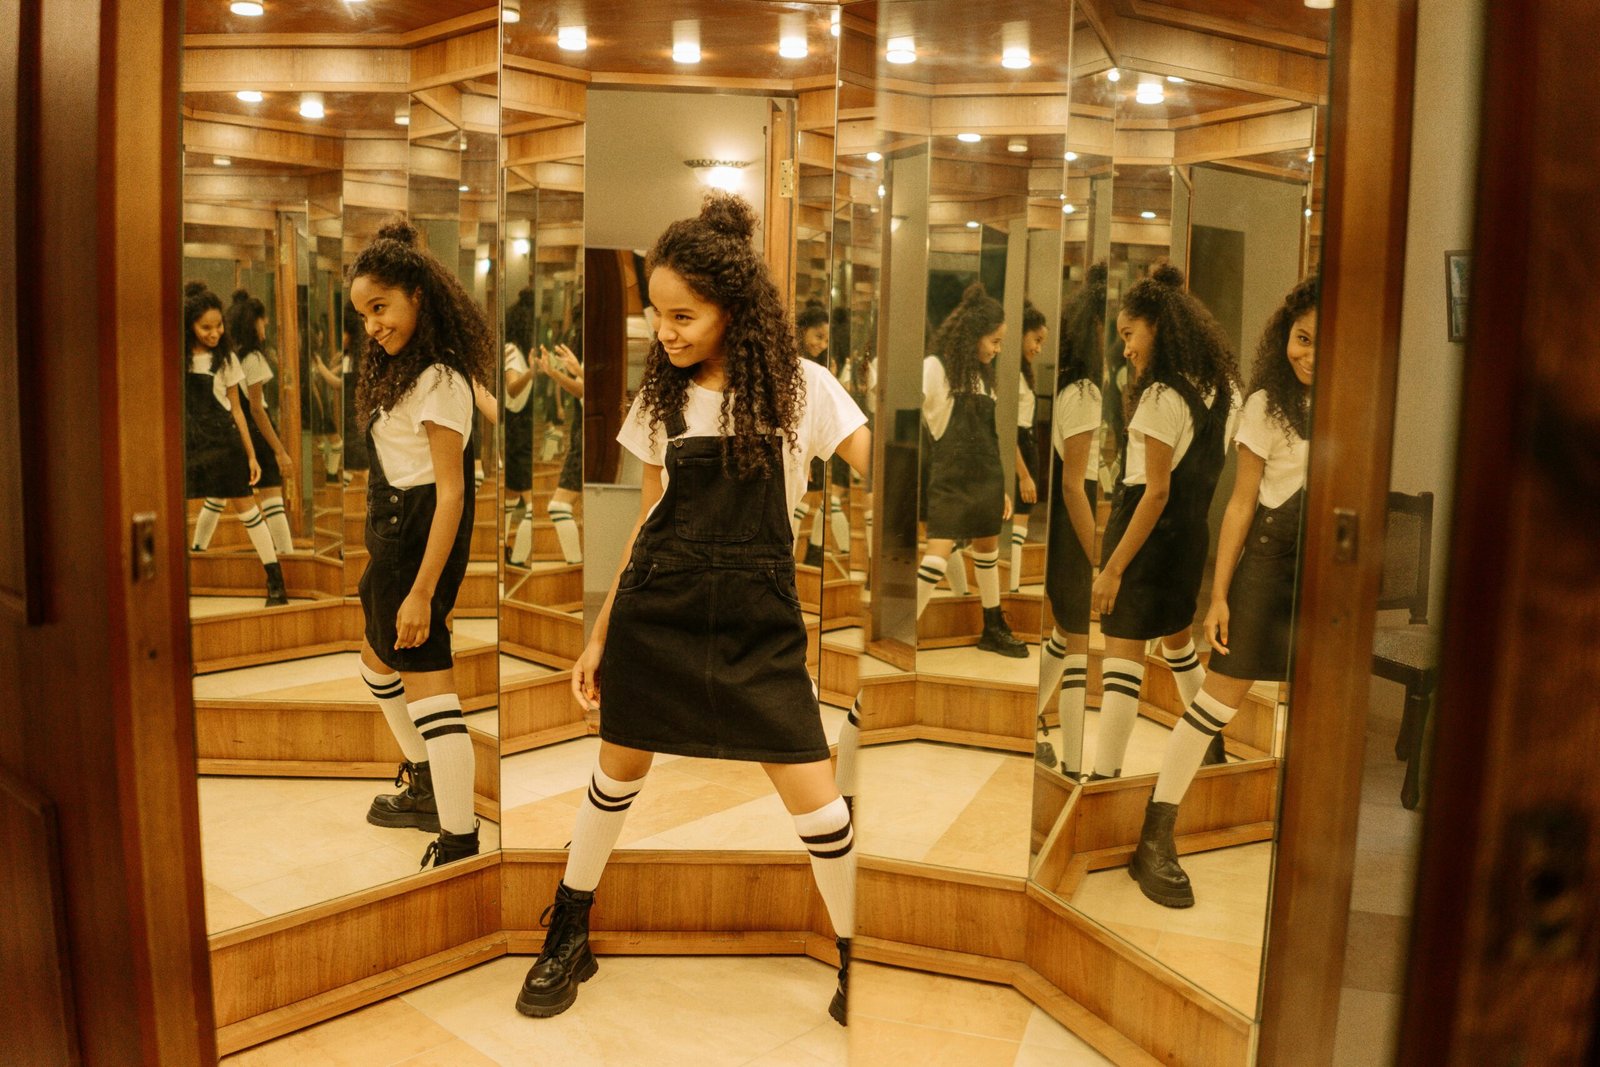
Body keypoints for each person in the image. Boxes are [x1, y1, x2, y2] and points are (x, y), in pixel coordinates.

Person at [515, 193, 869, 1026]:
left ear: (734, 310)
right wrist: (600, 634)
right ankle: (570, 927)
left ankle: (861, 953)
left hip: (761, 622)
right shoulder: (660, 399)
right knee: (612, 778)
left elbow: (879, 463)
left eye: (684, 314)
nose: (664, 332)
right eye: (654, 314)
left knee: (820, 808)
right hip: (658, 611)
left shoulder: (805, 389)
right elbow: (646, 518)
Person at [1130, 277, 1317, 909]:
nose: (1308, 354)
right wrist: (1220, 595)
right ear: (1284, 336)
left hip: (1323, 569)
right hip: (1267, 561)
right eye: (1301, 339)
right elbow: (1238, 507)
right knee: (1219, 700)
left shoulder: (1353, 399)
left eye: (1322, 342)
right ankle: (1154, 836)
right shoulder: (1266, 404)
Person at [347, 218, 495, 869]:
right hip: (393, 535)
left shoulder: (440, 378)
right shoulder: (402, 369)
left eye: (381, 307)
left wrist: (423, 591)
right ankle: (425, 779)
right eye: (364, 314)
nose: (373, 324)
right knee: (377, 665)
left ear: (417, 295)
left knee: (432, 690)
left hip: (417, 539)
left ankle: (459, 835)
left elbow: (453, 494)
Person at [1088, 264, 1241, 780]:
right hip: (1188, 541)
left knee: (1121, 672)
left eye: (1130, 334)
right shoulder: (1226, 391)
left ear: (1159, 326)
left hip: (1144, 539)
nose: (1126, 348)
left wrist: (1112, 568)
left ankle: (1104, 778)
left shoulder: (1160, 396)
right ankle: (1210, 748)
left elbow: (1153, 493)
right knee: (1178, 649)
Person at [916, 283, 1026, 657]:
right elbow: (907, 417)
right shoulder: (935, 368)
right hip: (949, 475)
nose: (997, 349)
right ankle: (900, 625)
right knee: (937, 555)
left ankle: (992, 626)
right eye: (994, 341)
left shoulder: (983, 376)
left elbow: (992, 436)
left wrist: (1003, 487)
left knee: (988, 548)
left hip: (987, 477)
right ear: (973, 334)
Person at [1036, 265, 1107, 776]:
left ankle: (1032, 718)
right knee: (1078, 643)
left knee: (1065, 639)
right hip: (1072, 527)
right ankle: (1075, 766)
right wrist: (1099, 554)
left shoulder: (1080, 390)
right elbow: (1072, 484)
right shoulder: (1083, 393)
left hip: (1070, 524)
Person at [182, 282, 287, 606]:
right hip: (190, 443)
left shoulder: (226, 358)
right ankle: (189, 568)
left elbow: (239, 410)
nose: (214, 333)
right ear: (189, 326)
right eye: (205, 327)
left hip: (225, 442)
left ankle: (275, 580)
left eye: (219, 325)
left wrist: (252, 455)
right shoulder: (177, 356)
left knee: (247, 510)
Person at [211, 289, 294, 555]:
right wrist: (280, 450)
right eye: (262, 320)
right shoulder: (254, 358)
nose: (266, 324)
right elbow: (257, 409)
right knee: (272, 498)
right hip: (258, 432)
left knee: (220, 498)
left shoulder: (231, 357)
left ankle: (198, 548)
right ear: (252, 322)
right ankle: (287, 558)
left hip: (239, 432)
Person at [792, 301, 835, 567]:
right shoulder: (794, 363)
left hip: (815, 439)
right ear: (803, 330)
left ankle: (807, 554)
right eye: (818, 336)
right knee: (800, 503)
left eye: (826, 339)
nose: (822, 344)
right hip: (798, 440)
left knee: (810, 502)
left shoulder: (818, 367)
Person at [1009, 301, 1048, 592]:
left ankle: (1013, 585)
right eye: (1036, 340)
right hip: (1019, 447)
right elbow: (1009, 431)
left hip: (1029, 444)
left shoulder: (1024, 372)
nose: (1038, 347)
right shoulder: (1012, 374)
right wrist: (1023, 474)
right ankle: (1012, 587)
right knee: (1017, 520)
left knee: (1022, 519)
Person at [538, 340, 585, 565]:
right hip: (581, 436)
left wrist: (554, 373)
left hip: (585, 437)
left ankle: (575, 566)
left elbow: (584, 391)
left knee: (558, 506)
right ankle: (575, 566)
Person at [502, 288, 538, 564]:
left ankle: (506, 548)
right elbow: (513, 389)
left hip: (520, 427)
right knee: (530, 500)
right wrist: (532, 372)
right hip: (516, 428)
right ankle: (521, 558)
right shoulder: (512, 350)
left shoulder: (519, 351)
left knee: (514, 494)